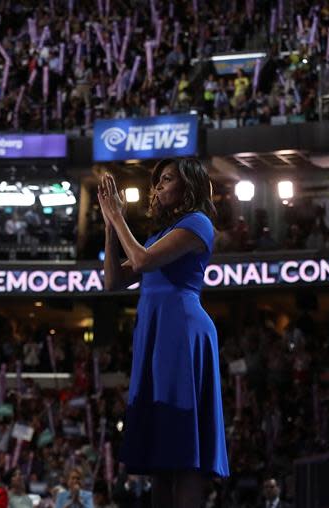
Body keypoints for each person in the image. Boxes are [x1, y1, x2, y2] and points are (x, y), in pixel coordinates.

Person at [97, 158, 230, 508]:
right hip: (155, 337)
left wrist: (119, 218)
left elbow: (140, 262)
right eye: (156, 181)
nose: (157, 187)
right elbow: (113, 281)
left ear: (189, 185)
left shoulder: (197, 224)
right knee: (160, 457)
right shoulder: (159, 237)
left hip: (182, 334)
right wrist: (110, 226)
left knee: (183, 455)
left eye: (167, 179)